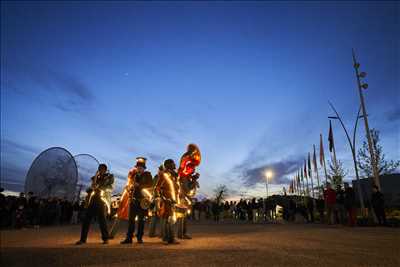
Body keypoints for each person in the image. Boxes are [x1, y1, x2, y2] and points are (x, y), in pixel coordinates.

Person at [76, 164, 114, 245]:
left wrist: (100, 188)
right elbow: (92, 187)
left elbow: (110, 188)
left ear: (105, 170)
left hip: (102, 200)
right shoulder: (95, 178)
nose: (100, 170)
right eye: (100, 169)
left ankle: (105, 238)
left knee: (102, 220)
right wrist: (90, 189)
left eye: (102, 169)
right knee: (86, 220)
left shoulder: (109, 178)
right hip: (93, 200)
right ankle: (83, 239)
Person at [121, 157, 153, 244]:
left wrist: (139, 185)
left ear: (144, 168)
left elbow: (150, 185)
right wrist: (129, 188)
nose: (139, 169)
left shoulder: (148, 175)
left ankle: (139, 238)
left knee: (141, 221)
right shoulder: (134, 176)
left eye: (140, 167)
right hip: (133, 200)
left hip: (143, 201)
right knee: (131, 220)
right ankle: (129, 238)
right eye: (138, 167)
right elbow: (131, 185)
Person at [155, 159, 180, 244]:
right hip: (166, 201)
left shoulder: (174, 176)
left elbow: (176, 188)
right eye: (173, 163)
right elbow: (157, 188)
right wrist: (163, 198)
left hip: (174, 201)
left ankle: (171, 238)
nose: (174, 165)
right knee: (166, 219)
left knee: (172, 220)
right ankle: (166, 238)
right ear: (169, 165)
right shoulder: (163, 175)